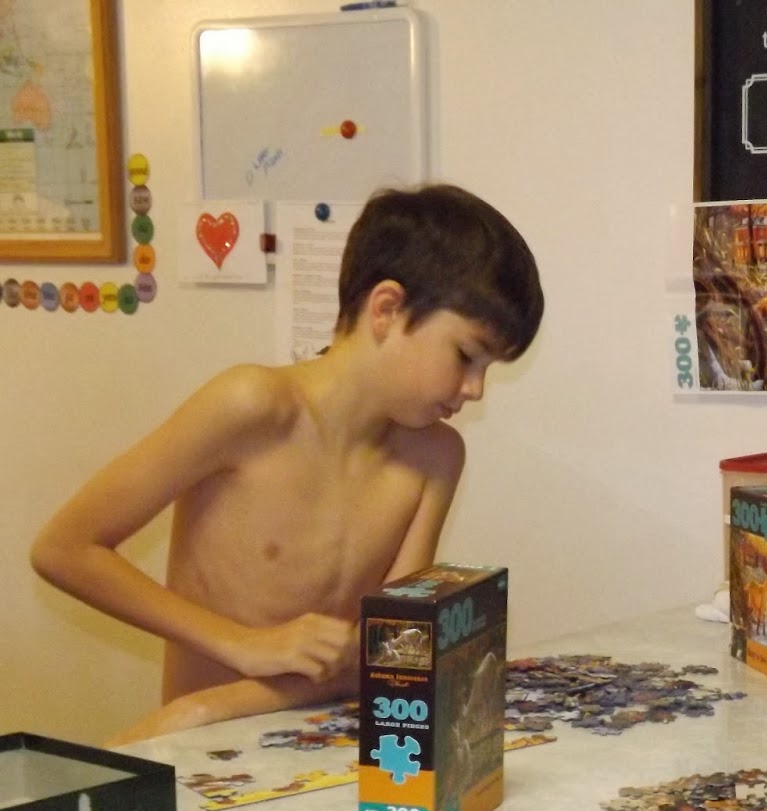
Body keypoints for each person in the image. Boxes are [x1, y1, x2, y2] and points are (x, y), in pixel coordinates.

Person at [31, 183, 544, 744]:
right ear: (387, 310)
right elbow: (64, 549)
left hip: (326, 750)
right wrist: (241, 646)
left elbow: (392, 656)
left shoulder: (438, 457)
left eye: (488, 369)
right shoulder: (251, 405)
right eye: (466, 356)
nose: (475, 389)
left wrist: (205, 707)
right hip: (208, 754)